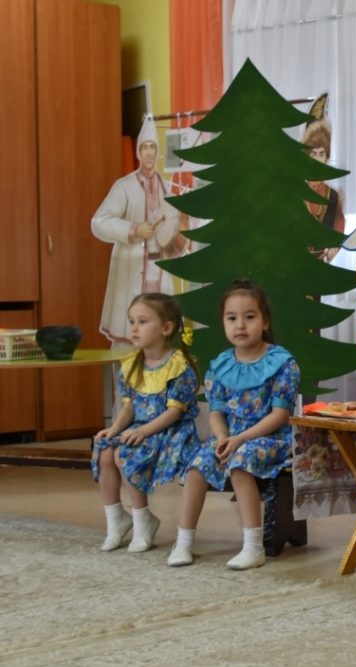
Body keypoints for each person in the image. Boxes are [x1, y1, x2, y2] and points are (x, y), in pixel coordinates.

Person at [168, 279, 300, 570]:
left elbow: (279, 415)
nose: (240, 325)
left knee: (240, 462)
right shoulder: (221, 365)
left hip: (270, 439)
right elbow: (216, 412)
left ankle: (253, 547)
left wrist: (240, 440)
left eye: (249, 317)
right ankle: (184, 541)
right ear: (224, 323)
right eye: (231, 318)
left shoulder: (282, 363)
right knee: (198, 465)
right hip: (230, 438)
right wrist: (221, 437)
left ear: (265, 322)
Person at [92, 293, 200, 553]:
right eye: (132, 322)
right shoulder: (132, 364)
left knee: (124, 454)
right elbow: (129, 407)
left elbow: (174, 413)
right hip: (138, 428)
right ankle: (116, 519)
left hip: (170, 431)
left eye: (142, 321)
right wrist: (114, 429)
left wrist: (143, 431)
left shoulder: (178, 366)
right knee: (105, 450)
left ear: (166, 328)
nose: (134, 328)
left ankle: (143, 520)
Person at [92, 115, 188, 346]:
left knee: (161, 337)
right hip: (132, 270)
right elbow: (99, 222)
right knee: (127, 342)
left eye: (152, 147)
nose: (149, 152)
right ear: (138, 152)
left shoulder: (167, 191)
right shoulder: (124, 187)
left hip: (159, 271)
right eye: (144, 147)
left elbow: (175, 233)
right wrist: (134, 229)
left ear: (157, 151)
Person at [301, 93, 346, 263]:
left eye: (321, 154)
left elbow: (339, 222)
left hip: (321, 264)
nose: (317, 159)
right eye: (313, 154)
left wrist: (335, 244)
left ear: (326, 158)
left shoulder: (332, 196)